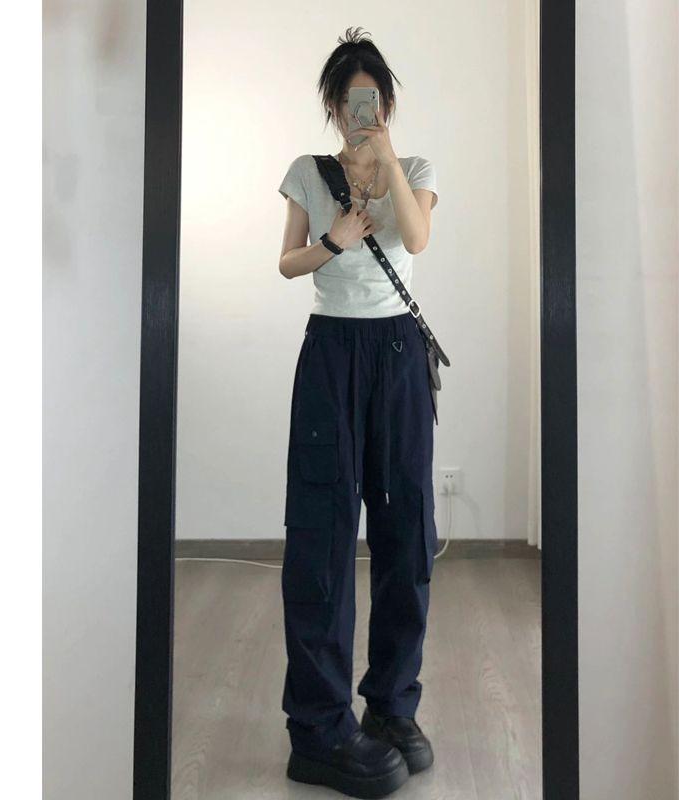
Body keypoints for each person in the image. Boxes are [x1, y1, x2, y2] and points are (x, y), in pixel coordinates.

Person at [278, 26, 440, 799]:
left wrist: (388, 160)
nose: (359, 113)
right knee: (322, 535)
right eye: (348, 102)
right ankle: (317, 728)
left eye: (371, 100)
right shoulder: (308, 173)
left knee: (407, 532)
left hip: (398, 352)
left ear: (387, 104)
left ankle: (390, 707)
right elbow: (287, 263)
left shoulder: (416, 170)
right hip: (331, 353)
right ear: (332, 106)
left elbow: (418, 237)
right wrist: (335, 239)